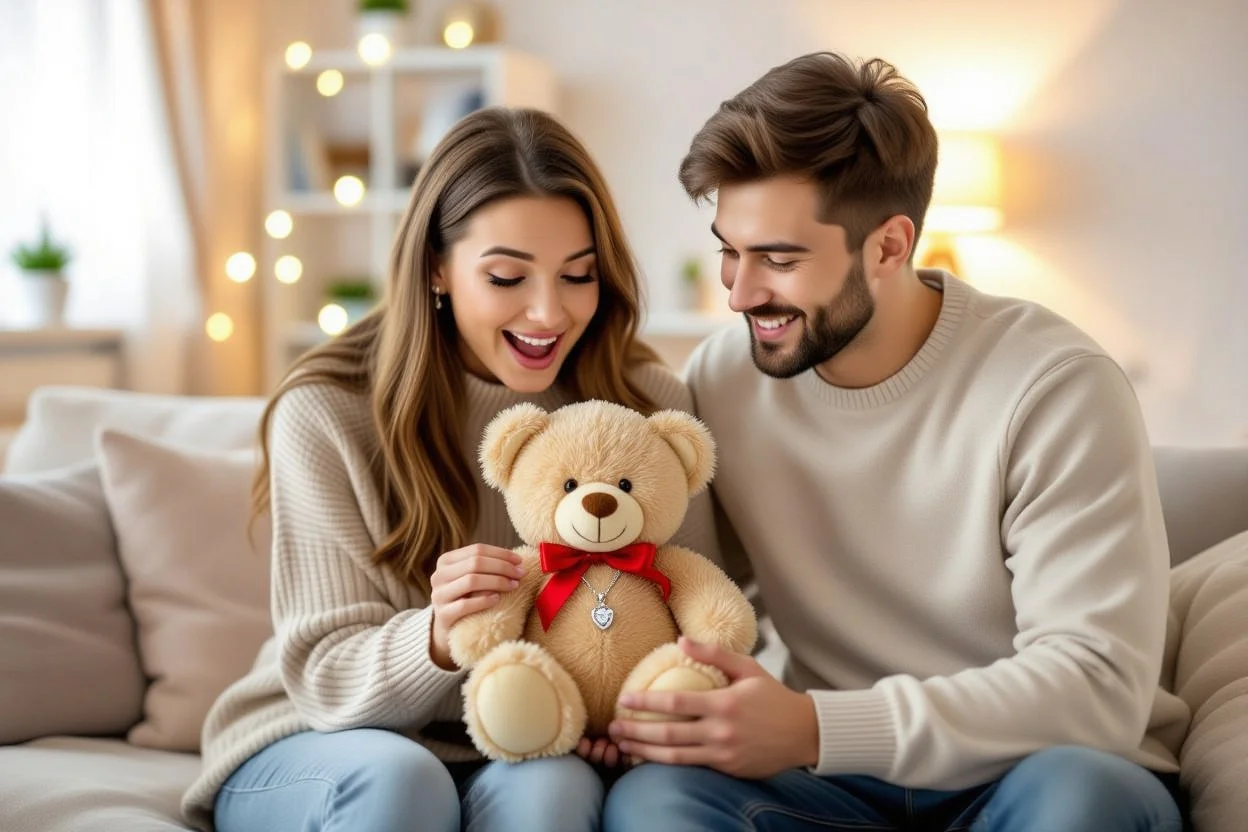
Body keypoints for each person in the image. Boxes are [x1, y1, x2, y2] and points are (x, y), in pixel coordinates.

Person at [603, 52, 1189, 831]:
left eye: (778, 259)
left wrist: (816, 727)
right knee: (654, 801)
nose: (740, 293)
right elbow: (689, 593)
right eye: (728, 251)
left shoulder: (1055, 386)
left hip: (1029, 774)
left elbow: (1096, 687)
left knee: (1085, 800)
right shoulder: (724, 379)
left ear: (887, 246)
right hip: (828, 788)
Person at [180, 107, 716, 832]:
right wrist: (435, 634)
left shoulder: (645, 405)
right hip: (321, 734)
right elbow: (324, 675)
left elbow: (687, 617)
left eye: (578, 275)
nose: (549, 312)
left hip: (526, 740)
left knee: (557, 791)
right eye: (506, 276)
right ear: (437, 266)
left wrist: (622, 714)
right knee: (404, 784)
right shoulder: (329, 412)